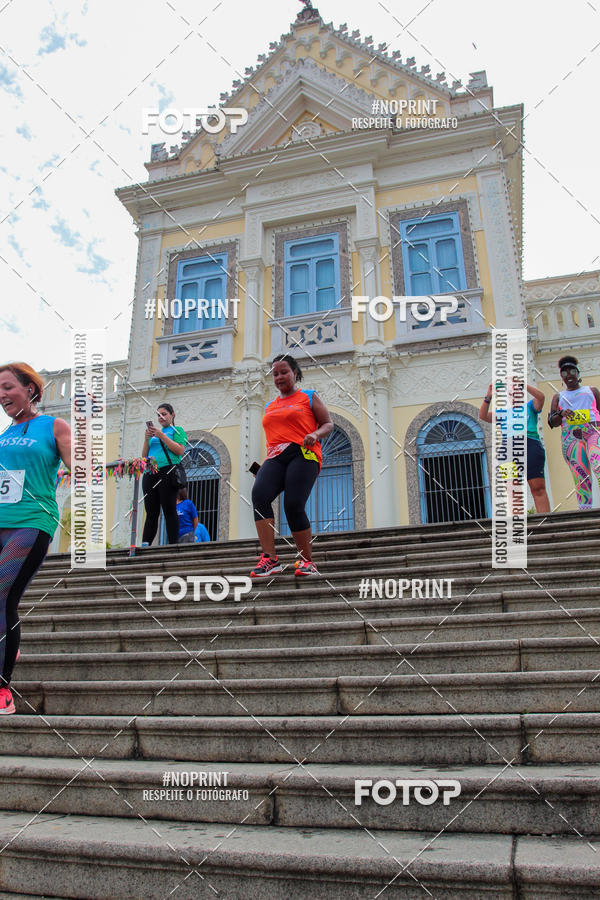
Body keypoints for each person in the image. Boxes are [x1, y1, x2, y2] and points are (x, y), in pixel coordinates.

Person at [0, 362, 72, 714]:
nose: (1, 395)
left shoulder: (53, 425)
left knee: (0, 592)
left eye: (7, 387)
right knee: (5, 600)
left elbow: (79, 463)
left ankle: (2, 691)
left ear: (30, 388)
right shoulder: (2, 436)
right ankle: (7, 645)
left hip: (32, 521)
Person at [251, 354, 333, 578]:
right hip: (275, 456)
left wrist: (315, 434)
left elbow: (328, 423)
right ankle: (270, 559)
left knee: (293, 503)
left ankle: (308, 562)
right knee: (259, 495)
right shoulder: (269, 405)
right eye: (275, 373)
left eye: (284, 371)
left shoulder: (308, 396)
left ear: (295, 373)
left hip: (304, 452)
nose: (279, 377)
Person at [479, 382, 550, 513]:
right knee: (513, 490)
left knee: (537, 487)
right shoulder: (502, 412)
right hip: (508, 451)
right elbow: (483, 416)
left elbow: (541, 397)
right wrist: (488, 396)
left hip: (530, 446)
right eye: (511, 392)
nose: (514, 395)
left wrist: (523, 384)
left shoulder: (529, 406)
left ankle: (546, 522)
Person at [548, 355, 600, 510]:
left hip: (593, 432)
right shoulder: (559, 397)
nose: (568, 375)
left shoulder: (591, 390)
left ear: (578, 373)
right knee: (580, 473)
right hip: (572, 437)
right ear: (561, 377)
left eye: (571, 371)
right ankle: (585, 509)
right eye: (564, 373)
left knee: (598, 464)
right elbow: (552, 422)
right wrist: (561, 414)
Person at [141, 403, 186, 545]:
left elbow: (179, 450)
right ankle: (146, 543)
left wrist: (161, 435)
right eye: (158, 415)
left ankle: (173, 544)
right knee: (151, 511)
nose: (161, 417)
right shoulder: (154, 435)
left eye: (164, 414)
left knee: (169, 508)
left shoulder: (177, 430)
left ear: (172, 415)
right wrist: (147, 439)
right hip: (151, 472)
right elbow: (144, 457)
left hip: (168, 470)